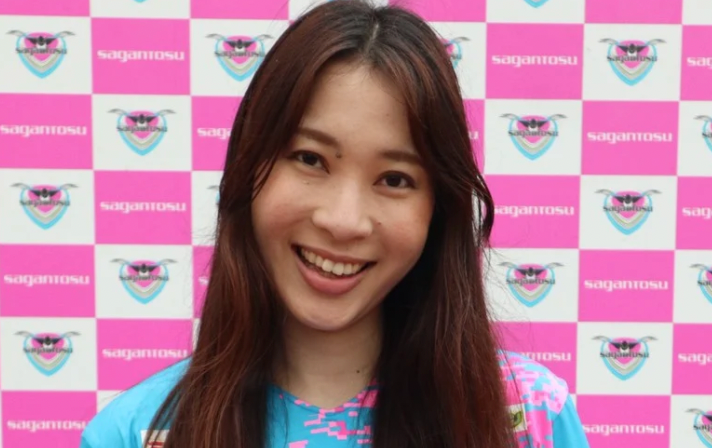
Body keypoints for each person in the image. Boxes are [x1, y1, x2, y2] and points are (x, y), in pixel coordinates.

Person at [80, 0, 590, 447]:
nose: (344, 222)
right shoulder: (138, 434)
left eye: (394, 179)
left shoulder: (526, 418)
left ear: (438, 210)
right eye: (310, 159)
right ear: (248, 169)